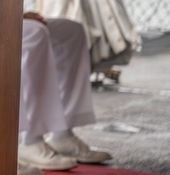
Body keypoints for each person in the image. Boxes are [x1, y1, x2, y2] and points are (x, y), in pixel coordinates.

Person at [17, 13, 113, 172]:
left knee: (71, 31)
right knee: (35, 32)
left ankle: (62, 135)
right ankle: (29, 139)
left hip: (7, 11)